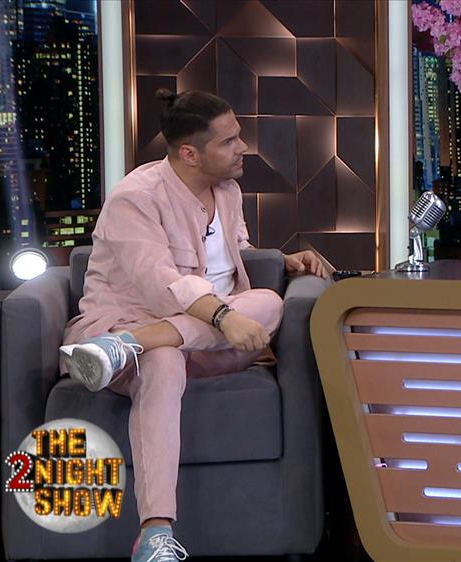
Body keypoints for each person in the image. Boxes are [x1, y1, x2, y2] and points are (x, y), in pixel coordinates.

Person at [58, 89, 329, 561]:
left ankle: (128, 345)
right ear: (190, 153)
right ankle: (155, 534)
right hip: (128, 320)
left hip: (201, 344)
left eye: (238, 136)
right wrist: (224, 316)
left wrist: (282, 260)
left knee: (268, 302)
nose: (242, 148)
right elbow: (161, 284)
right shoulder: (135, 199)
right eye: (228, 141)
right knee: (163, 361)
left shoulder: (228, 191)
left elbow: (234, 251)